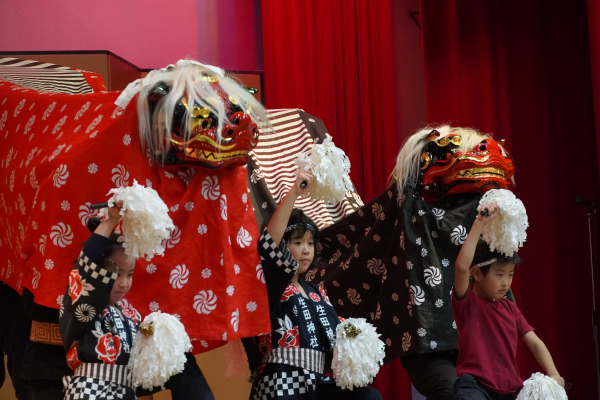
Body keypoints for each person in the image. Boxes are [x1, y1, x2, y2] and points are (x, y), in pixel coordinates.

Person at [242, 171, 382, 400]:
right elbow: (269, 246)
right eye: (297, 242)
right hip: (281, 383)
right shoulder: (270, 285)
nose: (306, 250)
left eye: (310, 242)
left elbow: (335, 341)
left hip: (317, 382)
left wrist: (355, 336)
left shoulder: (318, 293)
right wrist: (294, 193)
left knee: (368, 396)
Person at [452, 203, 564, 399]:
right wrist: (479, 223)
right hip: (474, 386)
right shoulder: (468, 304)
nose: (506, 282)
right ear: (476, 273)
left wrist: (553, 373)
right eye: (499, 274)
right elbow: (462, 267)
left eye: (510, 274)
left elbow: (535, 343)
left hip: (509, 389)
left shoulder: (510, 309)